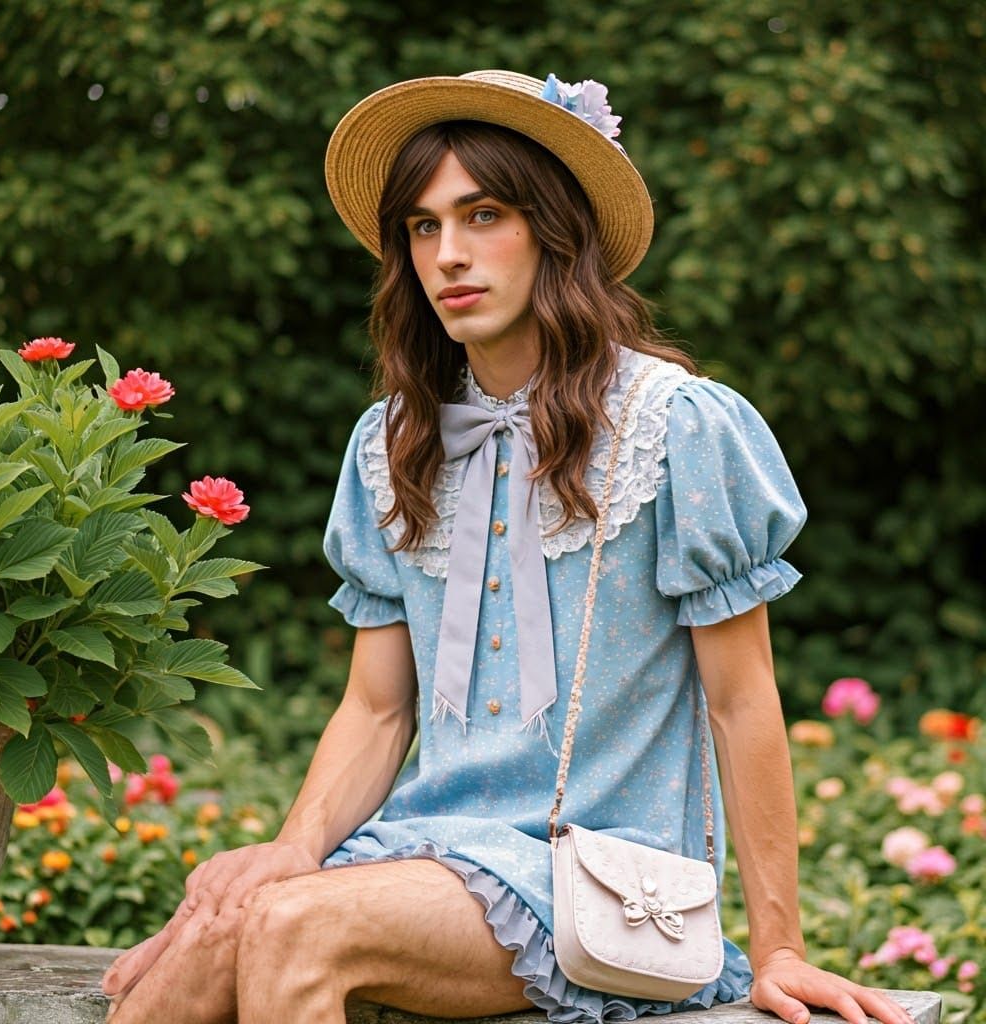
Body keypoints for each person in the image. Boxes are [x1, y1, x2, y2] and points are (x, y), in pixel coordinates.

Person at [103, 70, 915, 1024]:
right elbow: (376, 708)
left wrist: (780, 948)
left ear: (554, 231)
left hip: (602, 884)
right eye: (423, 226)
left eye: (483, 214)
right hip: (424, 856)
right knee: (221, 920)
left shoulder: (676, 426)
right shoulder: (392, 442)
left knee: (290, 925)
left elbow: (743, 703)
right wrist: (292, 848)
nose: (448, 254)